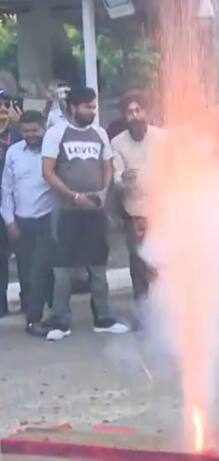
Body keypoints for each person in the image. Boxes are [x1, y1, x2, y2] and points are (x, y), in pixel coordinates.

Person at [41, 86, 129, 341]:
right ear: (72, 107)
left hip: (94, 212)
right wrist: (73, 196)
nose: (92, 111)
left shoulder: (100, 133)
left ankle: (103, 318)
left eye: (94, 106)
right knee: (63, 270)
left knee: (98, 267)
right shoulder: (56, 134)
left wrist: (103, 191)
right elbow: (47, 172)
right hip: (66, 213)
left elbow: (108, 167)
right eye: (87, 107)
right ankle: (60, 321)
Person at [111, 90, 164, 328]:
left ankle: (166, 312)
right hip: (135, 214)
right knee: (139, 266)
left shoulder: (163, 138)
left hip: (164, 213)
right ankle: (143, 315)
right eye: (129, 112)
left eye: (137, 110)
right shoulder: (118, 142)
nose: (133, 115)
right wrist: (124, 178)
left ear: (147, 112)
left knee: (163, 263)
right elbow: (115, 175)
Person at [1, 110, 54, 336]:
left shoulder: (52, 150)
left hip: (47, 219)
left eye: (35, 130)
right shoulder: (13, 152)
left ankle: (44, 317)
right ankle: (34, 318)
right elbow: (7, 190)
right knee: (26, 271)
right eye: (26, 131)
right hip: (22, 222)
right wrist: (10, 221)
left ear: (44, 129)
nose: (31, 134)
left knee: (43, 270)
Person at [0, 88, 21, 318]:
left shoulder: (21, 135)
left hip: (21, 206)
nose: (2, 109)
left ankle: (32, 302)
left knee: (26, 257)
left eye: (6, 104)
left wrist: (19, 124)